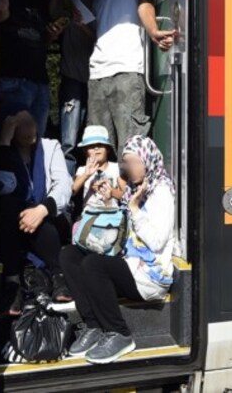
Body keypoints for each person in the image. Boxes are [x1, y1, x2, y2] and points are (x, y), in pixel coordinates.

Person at [60, 136, 177, 364]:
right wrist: (110, 202)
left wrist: (133, 207)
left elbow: (155, 241)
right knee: (70, 254)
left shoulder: (160, 191)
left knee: (93, 265)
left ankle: (119, 333)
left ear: (148, 161)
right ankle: (93, 325)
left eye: (135, 163)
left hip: (149, 275)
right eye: (126, 163)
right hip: (128, 262)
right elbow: (126, 227)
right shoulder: (138, 186)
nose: (129, 169)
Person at [86, 0, 175, 148]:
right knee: (98, 149)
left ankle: (131, 183)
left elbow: (145, 5)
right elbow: (101, 30)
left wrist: (153, 30)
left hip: (127, 70)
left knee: (130, 147)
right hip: (97, 72)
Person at [0, 111, 73, 315]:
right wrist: (4, 143)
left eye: (31, 123)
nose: (29, 129)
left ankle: (58, 276)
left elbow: (64, 186)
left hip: (49, 220)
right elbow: (3, 186)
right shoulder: (4, 151)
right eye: (20, 125)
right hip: (16, 222)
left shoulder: (50, 146)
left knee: (42, 219)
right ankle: (12, 282)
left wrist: (42, 209)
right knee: (7, 207)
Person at [0, 0, 66, 138]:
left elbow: (38, 39)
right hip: (11, 78)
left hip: (40, 81)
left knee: (37, 147)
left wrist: (50, 36)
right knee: (11, 141)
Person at [50, 0, 99, 175]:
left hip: (97, 78)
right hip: (71, 77)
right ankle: (66, 199)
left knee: (96, 141)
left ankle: (92, 192)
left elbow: (102, 37)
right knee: (68, 142)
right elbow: (52, 14)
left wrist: (84, 26)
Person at [72, 125, 126, 210]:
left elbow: (127, 196)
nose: (96, 148)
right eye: (92, 146)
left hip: (112, 213)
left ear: (107, 149)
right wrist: (86, 175)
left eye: (100, 145)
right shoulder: (82, 170)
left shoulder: (116, 168)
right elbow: (72, 191)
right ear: (86, 152)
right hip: (89, 215)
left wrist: (112, 191)